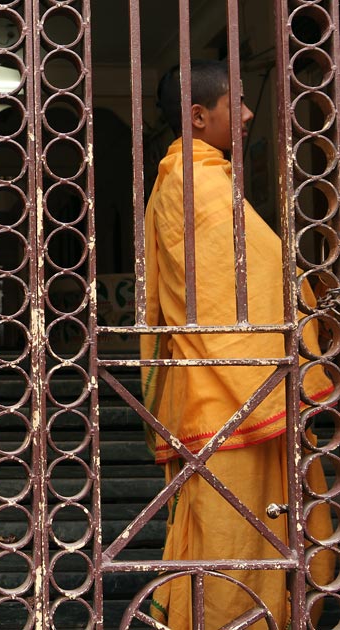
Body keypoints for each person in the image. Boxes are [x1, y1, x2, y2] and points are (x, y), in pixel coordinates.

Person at [141, 60, 335, 628]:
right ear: (198, 116)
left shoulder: (204, 178)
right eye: (238, 103)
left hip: (241, 393)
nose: (250, 114)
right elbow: (227, 298)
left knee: (255, 536)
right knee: (236, 539)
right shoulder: (190, 183)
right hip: (231, 396)